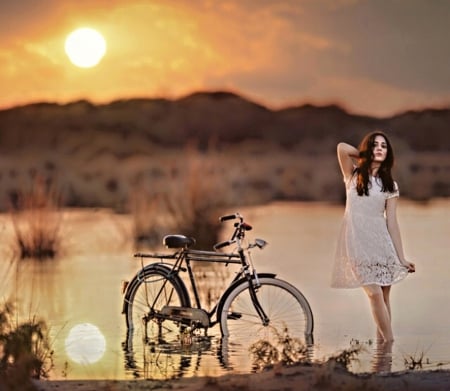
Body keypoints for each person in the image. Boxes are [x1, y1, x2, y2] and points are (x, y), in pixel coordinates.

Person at [331, 131, 415, 343]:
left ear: (389, 153)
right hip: (357, 243)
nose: (379, 148)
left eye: (384, 146)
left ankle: (382, 358)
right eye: (375, 145)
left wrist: (401, 258)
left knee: (384, 298)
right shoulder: (352, 175)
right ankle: (391, 343)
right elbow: (342, 147)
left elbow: (392, 223)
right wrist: (365, 154)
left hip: (381, 243)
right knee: (374, 294)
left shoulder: (390, 186)